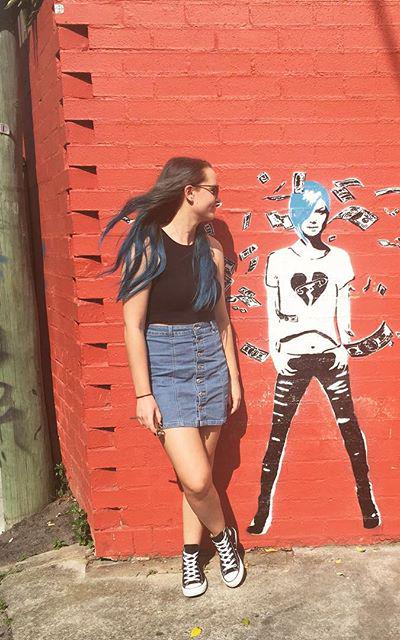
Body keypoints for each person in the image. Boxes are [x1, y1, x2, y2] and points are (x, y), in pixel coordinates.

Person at [99, 157, 245, 597]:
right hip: (165, 366)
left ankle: (190, 556)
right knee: (196, 477)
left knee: (197, 478)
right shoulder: (148, 246)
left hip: (210, 361)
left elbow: (222, 320)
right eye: (213, 190)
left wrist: (233, 377)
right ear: (189, 192)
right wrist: (143, 393)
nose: (219, 198)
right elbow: (133, 325)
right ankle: (224, 538)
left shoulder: (212, 250)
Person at [247, 180, 381, 535]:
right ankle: (261, 512)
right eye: (306, 211)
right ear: (294, 214)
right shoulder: (278, 260)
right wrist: (276, 352)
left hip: (329, 356)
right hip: (292, 357)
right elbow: (273, 312)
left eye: (321, 211)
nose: (314, 218)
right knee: (277, 435)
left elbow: (343, 309)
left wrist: (343, 347)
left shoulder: (339, 259)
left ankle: (367, 504)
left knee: (350, 431)